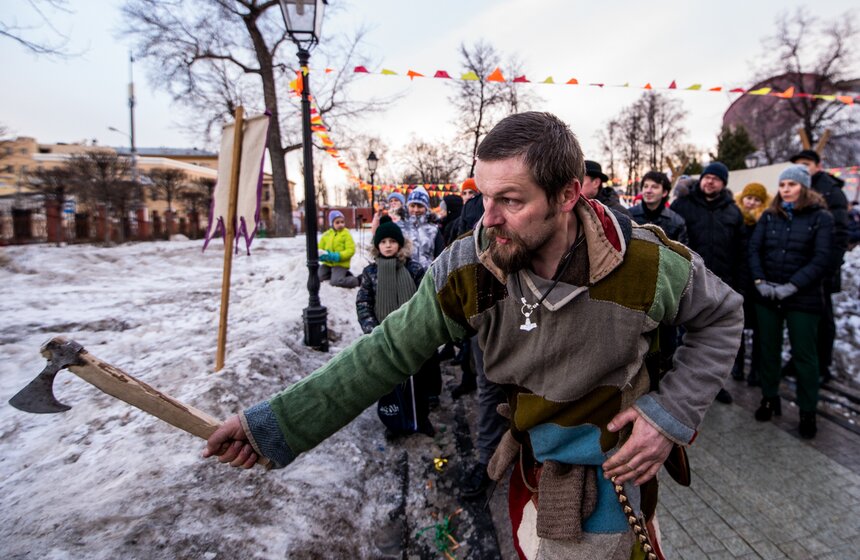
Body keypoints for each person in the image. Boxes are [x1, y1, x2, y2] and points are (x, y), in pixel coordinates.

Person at [203, 112, 743, 559]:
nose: (488, 219)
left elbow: (722, 316)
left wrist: (669, 415)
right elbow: (386, 350)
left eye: (511, 200)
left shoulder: (646, 262)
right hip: (530, 471)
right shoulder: (469, 268)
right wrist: (277, 425)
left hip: (614, 478)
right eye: (484, 196)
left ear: (567, 194)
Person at [748, 165, 833, 439]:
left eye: (792, 184)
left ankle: (808, 411)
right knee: (768, 350)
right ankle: (769, 398)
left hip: (803, 298)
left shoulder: (821, 217)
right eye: (783, 184)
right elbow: (754, 249)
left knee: (804, 355)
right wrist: (760, 281)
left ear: (804, 187)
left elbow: (822, 257)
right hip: (768, 294)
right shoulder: (770, 215)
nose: (785, 189)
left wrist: (793, 285)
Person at [670, 161, 745, 404]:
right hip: (688, 282)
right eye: (707, 177)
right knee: (684, 338)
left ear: (723, 184)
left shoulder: (733, 212)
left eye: (716, 178)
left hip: (722, 284)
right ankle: (678, 385)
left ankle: (713, 386)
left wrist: (739, 285)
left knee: (714, 342)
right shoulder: (683, 205)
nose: (710, 181)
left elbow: (740, 250)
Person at [356, 219, 434, 436]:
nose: (388, 245)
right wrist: (373, 331)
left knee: (418, 381)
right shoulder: (371, 272)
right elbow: (363, 303)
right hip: (384, 337)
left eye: (392, 241)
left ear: (400, 243)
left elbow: (425, 299)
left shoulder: (413, 268)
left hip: (413, 335)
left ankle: (421, 419)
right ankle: (394, 423)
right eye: (383, 242)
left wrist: (420, 327)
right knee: (390, 382)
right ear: (377, 246)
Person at [787, 149, 850, 384]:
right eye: (798, 164)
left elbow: (840, 235)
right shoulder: (794, 188)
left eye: (806, 164)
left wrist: (827, 269)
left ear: (818, 165)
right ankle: (797, 359)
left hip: (822, 271)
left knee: (823, 319)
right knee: (798, 318)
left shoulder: (831, 191)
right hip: (797, 268)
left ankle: (823, 365)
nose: (802, 168)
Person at [735, 182, 771, 386]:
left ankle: (756, 368)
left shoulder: (765, 221)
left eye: (757, 200)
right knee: (737, 326)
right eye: (749, 198)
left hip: (758, 280)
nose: (751, 202)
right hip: (740, 280)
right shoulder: (736, 218)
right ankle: (738, 364)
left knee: (759, 328)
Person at [629, 171, 688, 244]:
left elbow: (682, 250)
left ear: (664, 192)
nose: (648, 191)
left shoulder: (676, 222)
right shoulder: (629, 215)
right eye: (646, 186)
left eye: (654, 187)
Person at [400, 186, 445, 269]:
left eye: (420, 206)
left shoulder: (434, 230)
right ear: (407, 206)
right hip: (404, 274)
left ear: (426, 208)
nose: (416, 210)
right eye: (412, 206)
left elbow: (440, 255)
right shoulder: (400, 227)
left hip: (428, 273)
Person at [317, 210, 360, 288]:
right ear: (331, 224)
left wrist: (338, 256)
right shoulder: (326, 235)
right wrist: (322, 255)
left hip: (340, 264)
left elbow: (350, 250)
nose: (340, 224)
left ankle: (357, 280)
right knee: (318, 277)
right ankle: (339, 274)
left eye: (342, 222)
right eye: (337, 222)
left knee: (336, 282)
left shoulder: (346, 234)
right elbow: (320, 248)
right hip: (328, 263)